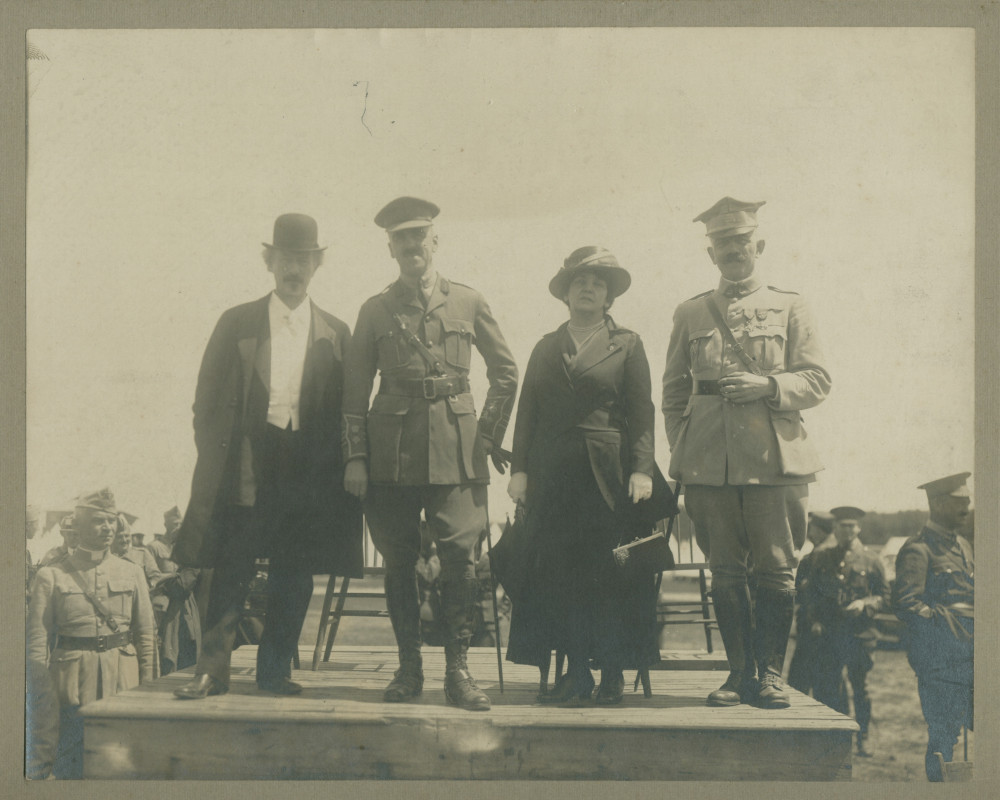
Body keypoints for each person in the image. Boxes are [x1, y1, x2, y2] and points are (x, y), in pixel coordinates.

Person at [172, 213, 364, 700]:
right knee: (230, 563)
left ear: (316, 265)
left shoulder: (338, 332)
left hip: (305, 466)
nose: (293, 269)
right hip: (248, 459)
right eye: (285, 259)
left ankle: (274, 670)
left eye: (303, 260)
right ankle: (211, 672)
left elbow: (347, 408)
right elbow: (205, 402)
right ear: (269, 262)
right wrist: (218, 455)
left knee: (294, 570)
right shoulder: (236, 322)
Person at [342, 196, 518, 711]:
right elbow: (354, 389)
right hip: (390, 455)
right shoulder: (375, 310)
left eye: (420, 236)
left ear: (434, 241)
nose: (412, 245)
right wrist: (355, 457)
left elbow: (505, 372)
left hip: (458, 454)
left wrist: (484, 436)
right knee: (399, 561)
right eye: (402, 238)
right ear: (390, 247)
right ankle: (408, 667)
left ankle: (459, 671)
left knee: (461, 561)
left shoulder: (467, 300)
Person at [662, 197, 831, 709]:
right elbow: (672, 394)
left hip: (774, 461)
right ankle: (739, 675)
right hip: (709, 466)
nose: (734, 251)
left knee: (778, 569)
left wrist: (768, 385)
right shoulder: (691, 311)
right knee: (725, 571)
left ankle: (772, 677)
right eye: (722, 244)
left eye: (742, 242)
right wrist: (686, 450)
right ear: (710, 253)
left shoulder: (791, 305)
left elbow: (818, 379)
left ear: (758, 245)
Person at [505, 246, 661, 706]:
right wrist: (519, 471)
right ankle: (576, 673)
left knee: (609, 574)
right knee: (562, 575)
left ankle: (611, 671)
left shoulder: (628, 344)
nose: (588, 288)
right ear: (566, 293)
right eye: (579, 282)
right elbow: (527, 413)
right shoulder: (544, 347)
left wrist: (641, 469)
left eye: (597, 283)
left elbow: (642, 412)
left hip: (609, 477)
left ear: (609, 295)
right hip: (554, 478)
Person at [26, 488, 155, 779]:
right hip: (70, 691)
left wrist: (147, 693)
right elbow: (36, 647)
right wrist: (44, 706)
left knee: (121, 772)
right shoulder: (51, 575)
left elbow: (146, 637)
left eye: (111, 521)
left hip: (124, 685)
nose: (108, 527)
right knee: (72, 771)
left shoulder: (132, 572)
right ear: (79, 526)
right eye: (98, 521)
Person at [893, 472, 974, 782]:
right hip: (940, 662)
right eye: (958, 503)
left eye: (967, 502)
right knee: (944, 738)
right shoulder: (918, 549)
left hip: (971, 655)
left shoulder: (964, 546)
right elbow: (906, 604)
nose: (966, 508)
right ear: (938, 504)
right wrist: (946, 628)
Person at [800, 506, 889, 757]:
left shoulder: (872, 559)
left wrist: (864, 604)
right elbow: (811, 595)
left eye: (851, 526)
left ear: (858, 528)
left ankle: (863, 738)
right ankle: (837, 737)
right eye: (842, 526)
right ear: (835, 529)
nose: (847, 531)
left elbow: (884, 596)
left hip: (860, 635)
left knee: (860, 687)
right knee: (830, 686)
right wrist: (814, 620)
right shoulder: (822, 557)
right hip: (830, 634)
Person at [786, 511, 838, 696]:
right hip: (811, 626)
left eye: (811, 527)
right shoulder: (815, 554)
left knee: (812, 681)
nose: (808, 532)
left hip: (820, 628)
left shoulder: (827, 554)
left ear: (820, 529)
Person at [147, 506, 203, 675]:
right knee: (169, 647)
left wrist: (166, 580)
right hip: (166, 607)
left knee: (183, 647)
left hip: (184, 607)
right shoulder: (154, 547)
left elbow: (181, 585)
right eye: (173, 523)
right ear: (165, 523)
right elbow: (153, 577)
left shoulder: (193, 558)